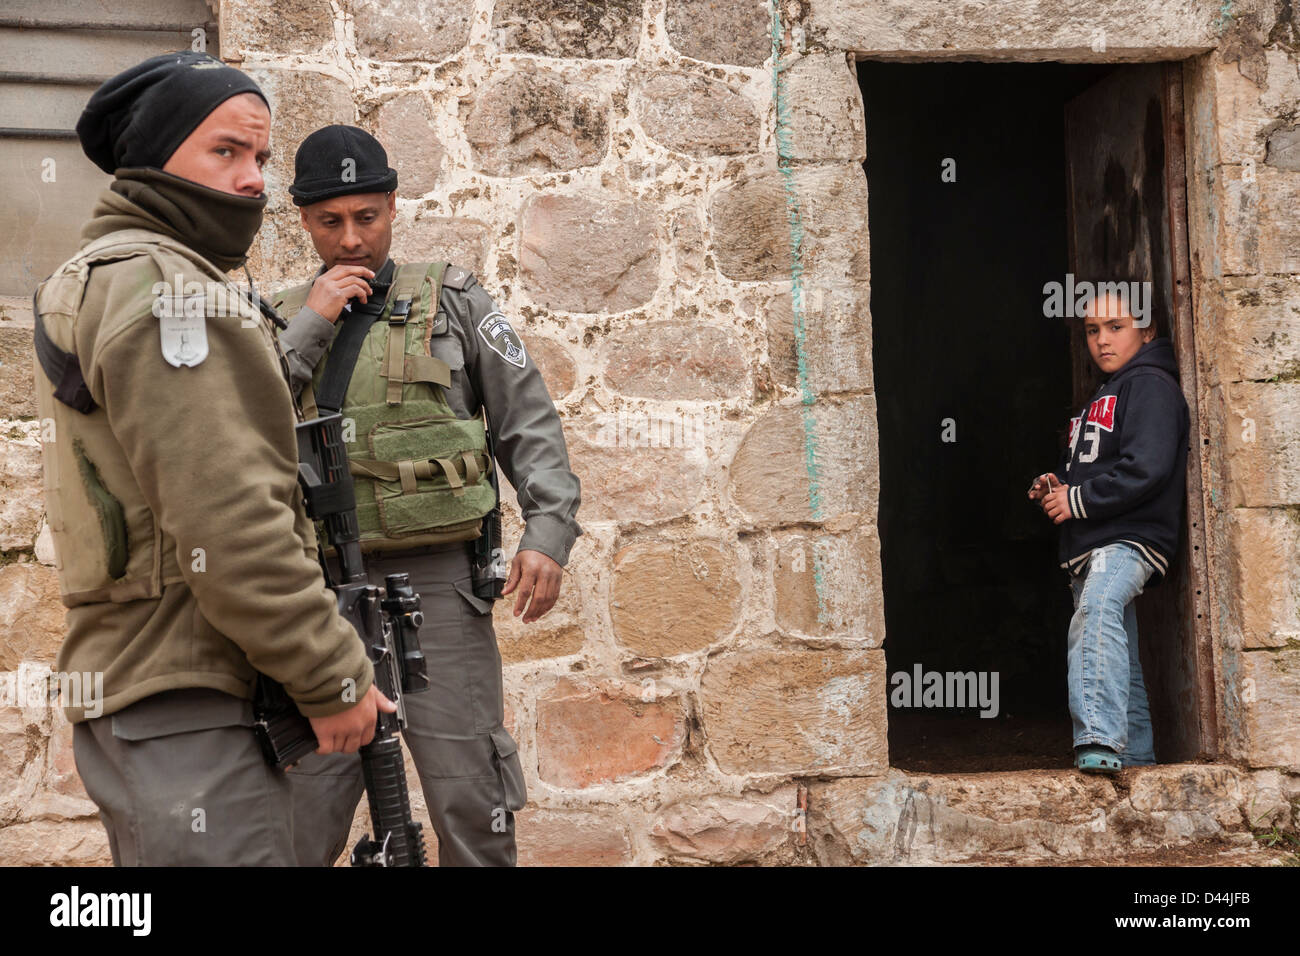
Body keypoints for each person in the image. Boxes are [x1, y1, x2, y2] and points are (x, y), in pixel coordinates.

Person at [32, 52, 393, 866]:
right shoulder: (172, 292)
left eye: (260, 158)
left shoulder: (103, 276)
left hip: (147, 697)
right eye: (224, 151)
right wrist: (330, 671)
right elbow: (230, 520)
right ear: (154, 158)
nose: (251, 181)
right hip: (189, 696)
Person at [273, 125, 582, 867]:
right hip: (318, 598)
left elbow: (527, 419)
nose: (351, 239)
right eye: (330, 222)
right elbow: (238, 428)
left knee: (470, 796)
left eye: (367, 217)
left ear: (392, 208)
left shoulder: (458, 301)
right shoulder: (275, 319)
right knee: (302, 812)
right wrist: (311, 324)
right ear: (304, 222)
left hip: (438, 587)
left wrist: (547, 532)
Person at [1028, 288, 1189, 774]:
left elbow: (1148, 467)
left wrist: (1078, 500)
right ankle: (1137, 758)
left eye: (1116, 327)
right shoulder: (1102, 396)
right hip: (1093, 541)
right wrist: (1058, 486)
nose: (1102, 340)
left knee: (1097, 610)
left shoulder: (1152, 385)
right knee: (1122, 649)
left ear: (1148, 329)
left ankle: (1098, 737)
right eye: (1093, 330)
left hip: (1130, 537)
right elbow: (1096, 467)